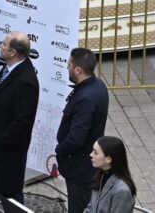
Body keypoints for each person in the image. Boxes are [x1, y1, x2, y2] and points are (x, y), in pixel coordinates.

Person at [0, 32, 39, 202]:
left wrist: (0, 143)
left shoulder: (26, 81)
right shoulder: (10, 67)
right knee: (0, 193)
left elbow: (22, 122)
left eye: (4, 44)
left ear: (13, 52)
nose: (1, 46)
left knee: (9, 196)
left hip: (7, 154)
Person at [57, 47, 110, 213]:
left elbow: (76, 137)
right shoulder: (98, 85)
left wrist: (60, 150)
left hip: (80, 169)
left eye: (69, 65)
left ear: (78, 70)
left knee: (78, 207)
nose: (67, 68)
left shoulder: (85, 98)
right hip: (86, 166)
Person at [85, 136, 136, 213]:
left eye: (95, 153)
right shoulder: (101, 176)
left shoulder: (122, 191)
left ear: (108, 159)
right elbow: (90, 208)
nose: (91, 155)